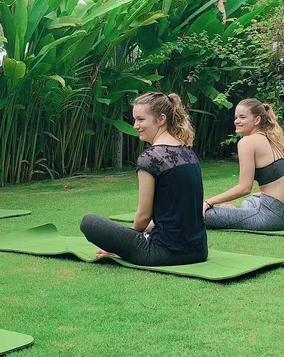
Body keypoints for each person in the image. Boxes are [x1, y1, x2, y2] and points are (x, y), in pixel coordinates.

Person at [80, 92, 208, 266]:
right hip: (199, 250)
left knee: (89, 222)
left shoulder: (151, 158)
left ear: (161, 119)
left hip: (162, 252)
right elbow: (177, 213)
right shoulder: (188, 153)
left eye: (141, 119)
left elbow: (143, 216)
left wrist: (123, 244)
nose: (135, 125)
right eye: (135, 120)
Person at [204, 98, 284, 231]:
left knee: (201, 214)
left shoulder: (247, 142)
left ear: (257, 120)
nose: (237, 121)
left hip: (272, 217)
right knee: (250, 201)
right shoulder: (276, 139)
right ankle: (236, 213)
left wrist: (210, 201)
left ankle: (233, 213)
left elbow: (244, 188)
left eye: (242, 117)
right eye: (236, 117)